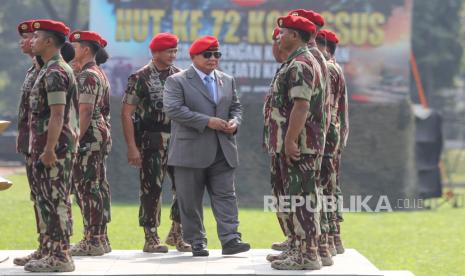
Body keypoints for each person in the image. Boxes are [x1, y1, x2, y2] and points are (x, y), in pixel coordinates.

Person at [163, 35, 250, 257]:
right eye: (208, 54)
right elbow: (173, 109)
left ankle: (231, 239)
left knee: (226, 196)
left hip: (223, 149)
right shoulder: (177, 80)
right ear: (193, 57)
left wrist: (235, 122)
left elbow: (236, 107)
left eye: (217, 55)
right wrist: (207, 121)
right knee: (189, 199)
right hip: (189, 151)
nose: (213, 59)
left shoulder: (227, 79)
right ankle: (197, 241)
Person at [265, 15, 325, 270]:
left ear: (294, 36)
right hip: (290, 144)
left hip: (299, 145)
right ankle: (296, 248)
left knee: (302, 201)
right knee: (292, 199)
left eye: (282, 32)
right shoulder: (294, 62)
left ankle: (308, 255)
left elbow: (301, 106)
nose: (278, 36)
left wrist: (290, 141)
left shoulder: (300, 64)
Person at [121, 33, 191, 253]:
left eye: (175, 51)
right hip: (152, 139)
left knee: (185, 187)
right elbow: (126, 114)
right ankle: (151, 237)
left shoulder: (181, 76)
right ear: (155, 52)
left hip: (178, 139)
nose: (173, 55)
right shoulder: (139, 77)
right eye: (168, 51)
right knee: (151, 189)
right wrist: (132, 147)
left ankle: (178, 233)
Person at [24, 19, 79, 272]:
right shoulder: (48, 69)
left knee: (57, 201)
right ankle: (49, 250)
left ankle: (61, 256)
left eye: (36, 37)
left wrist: (48, 150)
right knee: (47, 200)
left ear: (48, 41)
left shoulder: (56, 71)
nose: (31, 41)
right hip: (45, 146)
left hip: (54, 149)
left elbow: (58, 115)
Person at [68, 30, 112, 256]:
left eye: (75, 47)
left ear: (85, 49)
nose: (71, 51)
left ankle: (92, 240)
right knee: (95, 187)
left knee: (87, 189)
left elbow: (84, 112)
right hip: (97, 136)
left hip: (88, 138)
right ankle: (100, 238)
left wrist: (74, 140)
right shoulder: (96, 73)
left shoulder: (88, 76)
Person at [13, 20, 47, 267]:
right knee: (38, 196)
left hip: (45, 143)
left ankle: (52, 249)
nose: (25, 42)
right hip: (32, 142)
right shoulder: (33, 70)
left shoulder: (49, 69)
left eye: (31, 37)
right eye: (25, 38)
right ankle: (44, 246)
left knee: (48, 197)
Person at [317, 29, 349, 255]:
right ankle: (333, 238)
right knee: (331, 185)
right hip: (333, 132)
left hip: (325, 134)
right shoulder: (335, 67)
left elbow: (323, 108)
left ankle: (325, 241)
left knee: (324, 186)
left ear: (325, 48)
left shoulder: (327, 68)